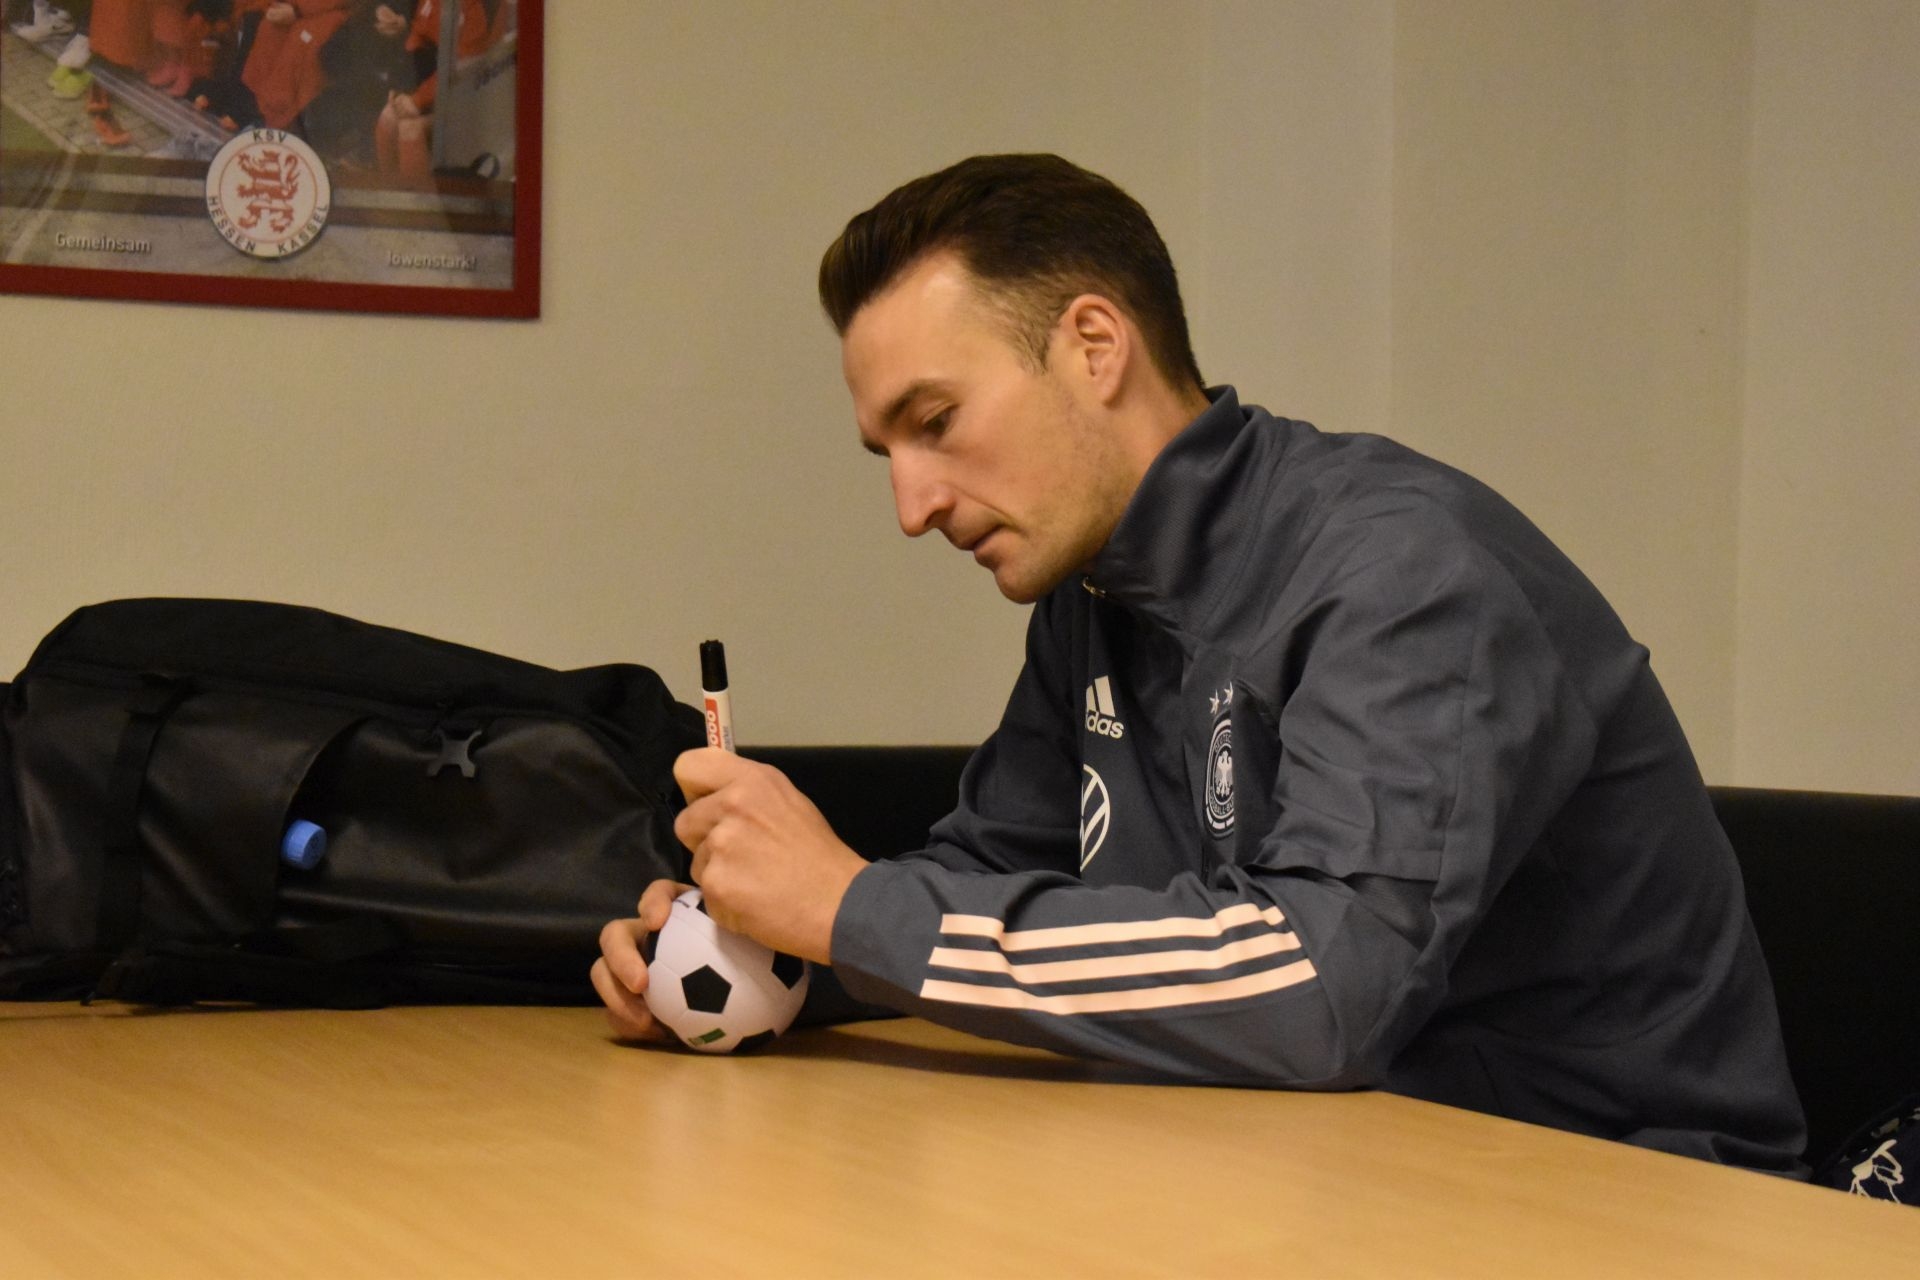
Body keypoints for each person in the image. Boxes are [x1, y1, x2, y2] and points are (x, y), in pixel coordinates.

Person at [592, 153, 1808, 1173]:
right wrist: (773, 953)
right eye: (888, 452)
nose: (913, 505)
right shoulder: (1092, 591)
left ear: (1094, 345)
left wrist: (852, 908)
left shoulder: (1404, 572)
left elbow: (1324, 983)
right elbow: (991, 873)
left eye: (937, 421)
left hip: (1620, 1191)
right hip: (1325, 1166)